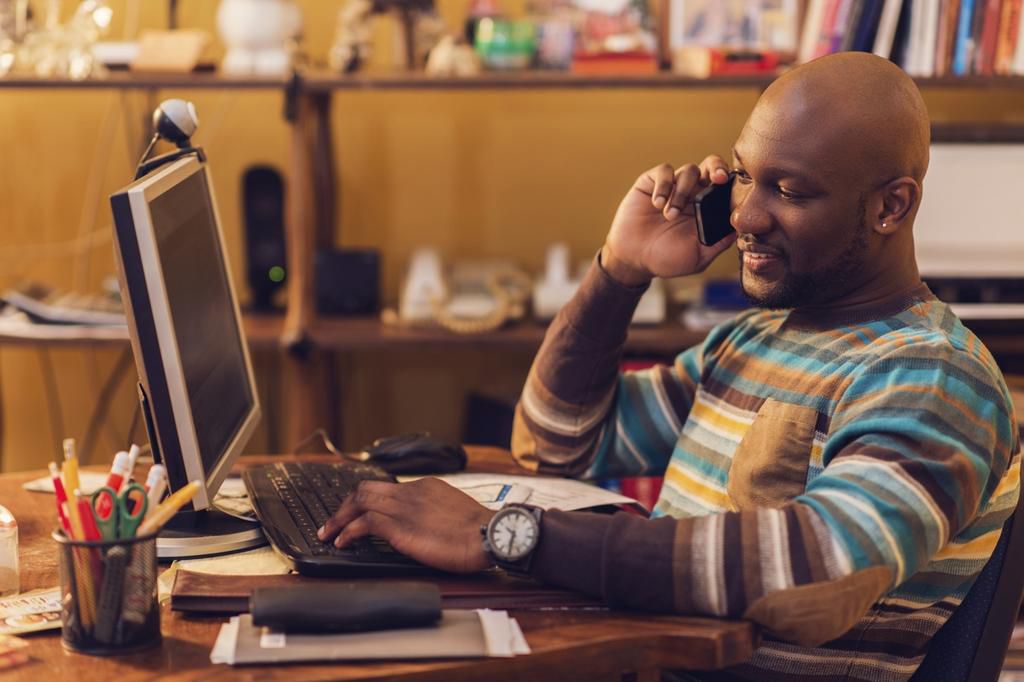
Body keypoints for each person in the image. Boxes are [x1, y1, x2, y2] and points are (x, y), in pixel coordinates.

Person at [319, 52, 1021, 680]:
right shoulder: (751, 341)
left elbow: (816, 568)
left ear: (891, 207)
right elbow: (561, 445)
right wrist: (619, 272)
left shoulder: (932, 375)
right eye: (746, 177)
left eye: (791, 191)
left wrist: (505, 536)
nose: (746, 215)